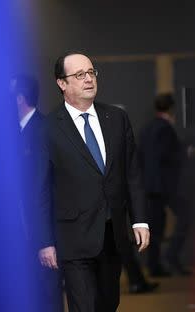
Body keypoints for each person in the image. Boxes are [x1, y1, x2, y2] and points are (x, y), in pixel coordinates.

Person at [41, 52, 150, 312]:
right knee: (84, 306)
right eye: (79, 75)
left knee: (108, 304)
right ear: (61, 83)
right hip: (72, 238)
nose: (88, 79)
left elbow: (131, 173)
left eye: (91, 72)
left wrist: (140, 220)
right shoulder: (47, 128)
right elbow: (39, 189)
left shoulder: (116, 118)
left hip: (112, 234)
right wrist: (43, 241)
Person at [11, 75, 62, 311]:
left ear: (20, 98)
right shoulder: (9, 134)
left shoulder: (45, 129)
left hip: (41, 232)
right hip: (15, 233)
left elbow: (49, 189)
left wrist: (46, 241)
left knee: (48, 294)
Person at [139, 93, 192, 276]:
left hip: (150, 186)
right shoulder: (165, 129)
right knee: (183, 217)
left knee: (155, 227)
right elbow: (164, 157)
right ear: (171, 108)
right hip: (164, 187)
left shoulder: (147, 129)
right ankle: (169, 257)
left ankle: (156, 265)